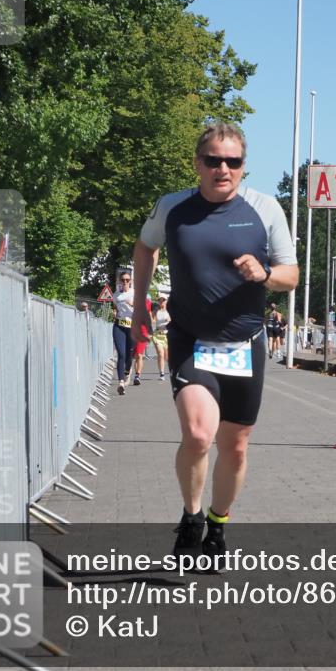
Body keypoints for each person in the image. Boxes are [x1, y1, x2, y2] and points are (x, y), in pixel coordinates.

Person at [130, 122, 298, 567]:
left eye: (233, 161)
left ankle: (218, 523)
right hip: (190, 337)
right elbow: (145, 248)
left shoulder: (264, 209)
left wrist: (263, 275)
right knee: (199, 434)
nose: (223, 168)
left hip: (245, 341)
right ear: (197, 164)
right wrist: (139, 308)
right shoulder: (172, 207)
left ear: (244, 167)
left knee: (236, 446)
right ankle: (191, 517)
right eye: (213, 160)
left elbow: (291, 276)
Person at [112, 272, 136, 395]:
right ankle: (121, 382)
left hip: (132, 326)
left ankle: (128, 370)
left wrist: (133, 304)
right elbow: (115, 307)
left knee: (129, 355)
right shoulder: (116, 295)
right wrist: (114, 312)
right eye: (123, 280)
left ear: (130, 281)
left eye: (127, 280)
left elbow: (143, 309)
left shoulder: (135, 293)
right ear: (119, 281)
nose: (125, 282)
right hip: (119, 326)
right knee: (121, 353)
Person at [131, 294, 153, 386]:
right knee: (134, 356)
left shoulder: (148, 303)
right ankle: (128, 372)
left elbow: (151, 318)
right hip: (132, 331)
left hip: (143, 332)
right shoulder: (132, 301)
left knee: (139, 355)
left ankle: (137, 375)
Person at [152, 296, 171, 380]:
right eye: (160, 300)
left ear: (166, 301)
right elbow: (152, 320)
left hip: (167, 335)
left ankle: (171, 371)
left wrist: (170, 320)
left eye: (163, 300)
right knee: (160, 353)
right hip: (157, 334)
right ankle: (162, 373)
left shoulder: (170, 311)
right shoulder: (156, 311)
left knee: (167, 356)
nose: (162, 302)